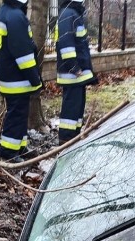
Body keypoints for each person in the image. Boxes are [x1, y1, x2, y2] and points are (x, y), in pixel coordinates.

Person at [0, 0, 43, 161]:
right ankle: (8, 152)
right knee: (16, 115)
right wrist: (35, 79)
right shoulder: (16, 17)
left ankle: (19, 147)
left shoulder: (4, 13)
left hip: (9, 76)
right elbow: (23, 54)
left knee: (20, 114)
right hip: (18, 78)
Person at [55, 0, 95, 143]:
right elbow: (66, 44)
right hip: (72, 73)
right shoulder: (68, 14)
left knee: (77, 107)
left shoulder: (72, 13)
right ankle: (66, 139)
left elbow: (80, 45)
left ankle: (74, 136)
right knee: (71, 108)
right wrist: (73, 66)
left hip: (76, 73)